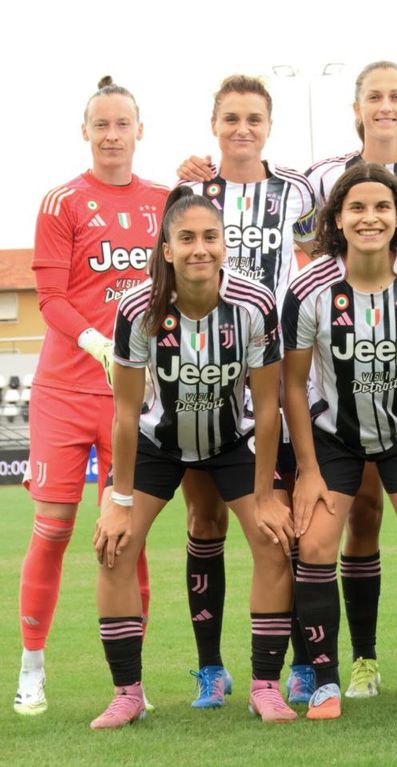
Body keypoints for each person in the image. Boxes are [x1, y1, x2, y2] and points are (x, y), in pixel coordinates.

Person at [90, 186, 294, 728]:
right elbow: (125, 412)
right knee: (114, 547)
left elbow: (267, 407)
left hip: (231, 440)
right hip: (158, 443)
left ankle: (265, 687)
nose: (199, 248)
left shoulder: (254, 304)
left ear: (225, 245)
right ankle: (127, 693)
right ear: (167, 249)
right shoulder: (138, 308)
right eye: (186, 238)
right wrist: (118, 501)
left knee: (274, 541)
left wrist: (267, 496)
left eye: (209, 237)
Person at [14, 77, 166, 716]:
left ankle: (131, 685)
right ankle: (32, 668)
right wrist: (97, 343)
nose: (111, 135)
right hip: (65, 390)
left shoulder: (165, 201)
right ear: (85, 131)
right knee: (52, 530)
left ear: (139, 130)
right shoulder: (61, 202)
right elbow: (50, 297)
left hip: (133, 397)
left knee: (127, 538)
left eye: (121, 123)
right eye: (101, 124)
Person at [281, 163, 397, 717]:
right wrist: (308, 471)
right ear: (337, 218)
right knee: (314, 546)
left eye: (382, 207)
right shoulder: (307, 289)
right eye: (356, 207)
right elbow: (292, 384)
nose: (370, 218)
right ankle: (326, 682)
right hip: (333, 439)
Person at [177, 74, 316, 708]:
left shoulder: (298, 191)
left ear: (269, 125)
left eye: (253, 118)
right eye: (230, 118)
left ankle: (300, 664)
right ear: (214, 125)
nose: (242, 128)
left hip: (276, 375)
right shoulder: (190, 191)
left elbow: (320, 258)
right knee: (205, 521)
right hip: (204, 377)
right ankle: (211, 669)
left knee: (284, 524)